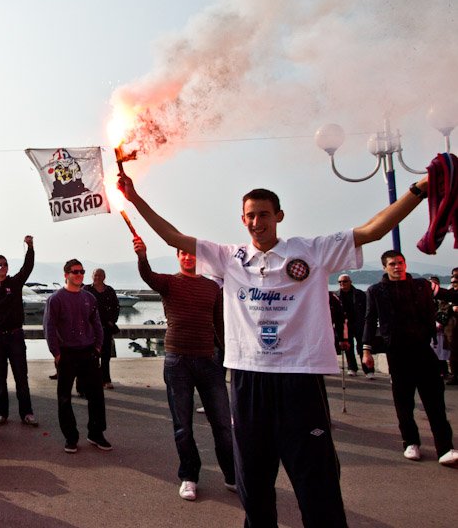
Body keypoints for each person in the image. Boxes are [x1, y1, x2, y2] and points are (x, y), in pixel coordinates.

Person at [118, 171, 432, 528]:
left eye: (264, 214)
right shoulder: (229, 257)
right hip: (248, 379)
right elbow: (172, 236)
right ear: (242, 219)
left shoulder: (312, 251)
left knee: (317, 485)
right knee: (254, 486)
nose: (257, 222)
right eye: (250, 215)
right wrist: (134, 197)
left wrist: (419, 189)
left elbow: (372, 230)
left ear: (279, 216)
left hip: (300, 378)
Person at [132, 239, 233, 500]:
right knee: (182, 426)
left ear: (201, 258)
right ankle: (189, 477)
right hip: (177, 362)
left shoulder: (213, 287)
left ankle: (233, 475)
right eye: (183, 254)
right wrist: (142, 255)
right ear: (177, 257)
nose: (188, 257)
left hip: (209, 361)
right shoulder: (169, 283)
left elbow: (219, 325)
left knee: (223, 423)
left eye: (192, 254)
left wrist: (231, 358)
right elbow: (148, 275)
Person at [363, 251, 458, 467]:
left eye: (400, 263)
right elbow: (370, 319)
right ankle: (411, 443)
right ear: (385, 268)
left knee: (435, 401)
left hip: (423, 349)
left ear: (405, 265)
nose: (397, 267)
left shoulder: (422, 285)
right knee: (404, 402)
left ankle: (445, 448)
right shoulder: (376, 291)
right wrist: (366, 350)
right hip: (397, 353)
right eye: (392, 264)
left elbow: (449, 295)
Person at [44, 259, 111, 454]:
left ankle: (96, 434)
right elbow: (49, 327)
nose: (79, 275)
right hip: (66, 353)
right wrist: (56, 353)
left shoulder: (89, 298)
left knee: (96, 396)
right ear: (66, 275)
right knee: (65, 398)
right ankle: (71, 438)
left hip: (88, 351)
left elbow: (96, 323)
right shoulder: (56, 299)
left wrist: (97, 347)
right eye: (75, 272)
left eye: (82, 271)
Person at [0, 235, 37, 426]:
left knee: (21, 377)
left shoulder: (15, 282)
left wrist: (30, 247)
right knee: (0, 379)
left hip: (15, 336)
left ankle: (27, 413)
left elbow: (28, 267)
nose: (3, 267)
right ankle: (1, 413)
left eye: (5, 264)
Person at [82, 268, 120, 389]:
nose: (97, 277)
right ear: (92, 276)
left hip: (106, 328)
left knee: (105, 355)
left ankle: (106, 380)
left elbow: (116, 307)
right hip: (90, 328)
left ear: (104, 277)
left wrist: (112, 321)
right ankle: (91, 380)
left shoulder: (109, 291)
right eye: (95, 275)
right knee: (90, 355)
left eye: (99, 275)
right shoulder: (86, 289)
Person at [336, 274, 371, 378]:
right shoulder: (336, 296)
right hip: (345, 325)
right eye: (340, 282)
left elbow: (367, 309)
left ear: (350, 282)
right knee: (348, 347)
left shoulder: (360, 294)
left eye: (345, 281)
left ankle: (368, 370)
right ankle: (352, 368)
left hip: (359, 323)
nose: (342, 284)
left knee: (362, 346)